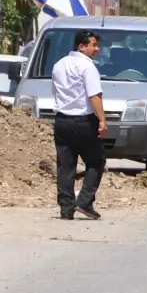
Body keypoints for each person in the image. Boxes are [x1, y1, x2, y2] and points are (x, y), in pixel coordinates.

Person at [51, 30, 107, 220]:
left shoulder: (59, 65)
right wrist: (102, 120)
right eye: (93, 45)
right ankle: (84, 201)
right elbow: (94, 96)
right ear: (81, 46)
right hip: (83, 121)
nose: (97, 49)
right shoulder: (87, 67)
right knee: (96, 161)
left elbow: (56, 92)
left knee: (66, 165)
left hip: (62, 121)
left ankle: (66, 207)